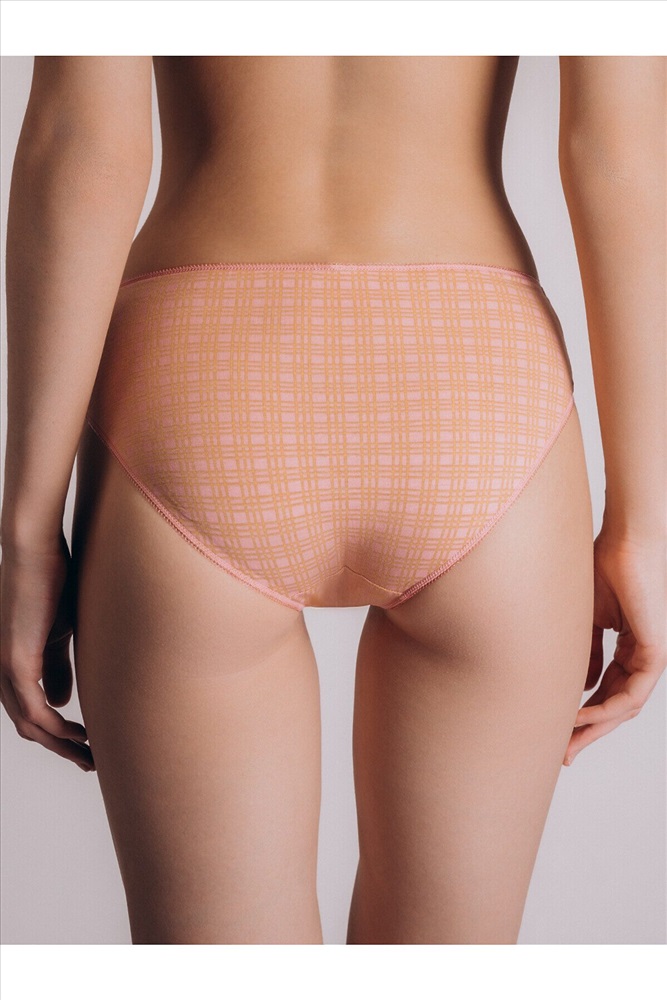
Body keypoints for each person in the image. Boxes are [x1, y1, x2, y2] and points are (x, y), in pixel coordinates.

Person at [0, 55, 664, 946]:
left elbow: (83, 141)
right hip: (474, 379)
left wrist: (26, 535)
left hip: (203, 374)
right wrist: (642, 527)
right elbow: (619, 150)